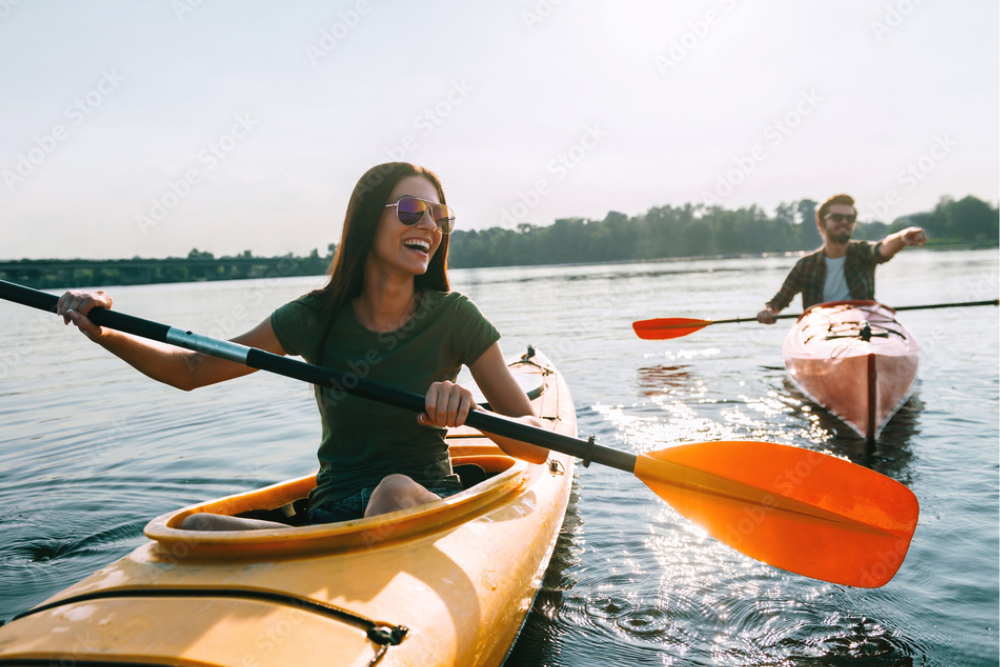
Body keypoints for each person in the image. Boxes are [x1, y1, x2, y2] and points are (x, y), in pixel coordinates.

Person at [55, 162, 550, 530]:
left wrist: (467, 410)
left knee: (393, 490)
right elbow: (191, 369)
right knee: (193, 527)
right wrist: (104, 330)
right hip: (331, 514)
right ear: (365, 220)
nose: (429, 225)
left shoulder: (455, 317)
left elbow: (533, 445)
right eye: (410, 210)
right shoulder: (314, 316)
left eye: (439, 215)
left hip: (420, 501)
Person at [757, 193, 927, 323]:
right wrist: (769, 311)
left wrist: (903, 236)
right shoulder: (805, 266)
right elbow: (778, 302)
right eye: (837, 218)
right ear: (821, 224)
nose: (844, 222)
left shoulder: (863, 252)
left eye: (850, 218)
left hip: (864, 326)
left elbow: (883, 248)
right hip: (821, 329)